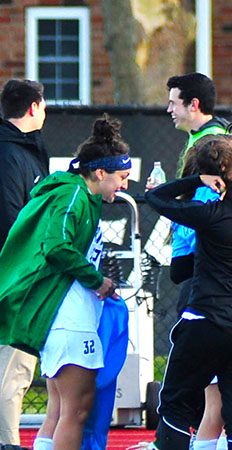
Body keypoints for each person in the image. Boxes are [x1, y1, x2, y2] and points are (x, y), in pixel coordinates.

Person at [0, 115, 129, 450]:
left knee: (59, 410)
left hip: (65, 315)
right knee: (76, 408)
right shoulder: (73, 194)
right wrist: (96, 279)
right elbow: (55, 245)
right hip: (67, 317)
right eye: (122, 177)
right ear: (100, 173)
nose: (125, 185)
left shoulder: (78, 195)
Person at [145, 135, 232, 450]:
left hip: (207, 323)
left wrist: (196, 179)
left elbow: (156, 197)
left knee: (175, 405)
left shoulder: (209, 213)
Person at [0, 78, 50, 446]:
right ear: (33, 107)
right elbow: (12, 220)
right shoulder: (14, 154)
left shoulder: (20, 151)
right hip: (14, 279)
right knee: (12, 371)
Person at [166, 72, 230, 175]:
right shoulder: (199, 135)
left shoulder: (213, 140)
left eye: (173, 104)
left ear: (193, 105)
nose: (169, 110)